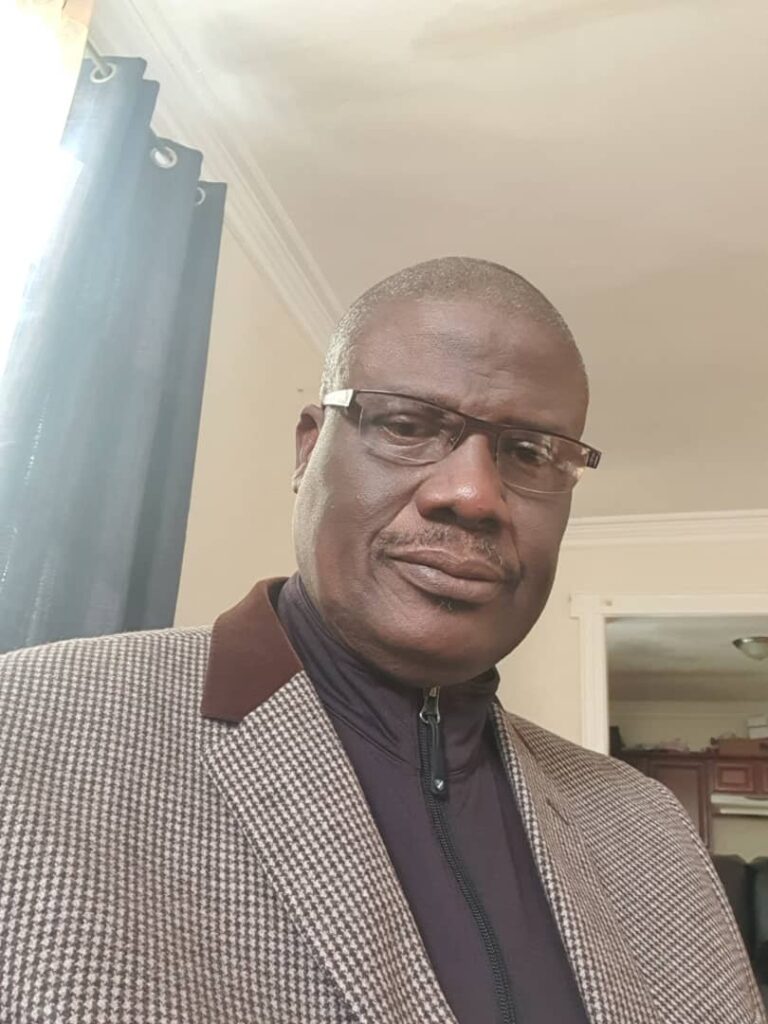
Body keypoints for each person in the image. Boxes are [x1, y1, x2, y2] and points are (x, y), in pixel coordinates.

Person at [0, 257, 762, 1024]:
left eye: (529, 452)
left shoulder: (652, 830)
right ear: (309, 449)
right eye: (407, 425)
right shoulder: (28, 729)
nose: (472, 494)